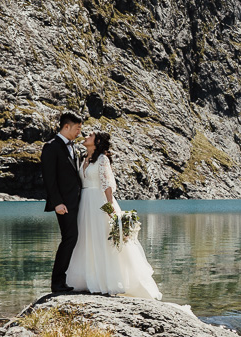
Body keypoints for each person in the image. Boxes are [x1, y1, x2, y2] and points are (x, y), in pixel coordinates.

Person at [65, 131, 162, 300]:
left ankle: (108, 280)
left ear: (97, 141)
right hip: (84, 204)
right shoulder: (83, 159)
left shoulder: (102, 159)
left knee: (103, 239)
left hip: (99, 202)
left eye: (90, 135)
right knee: (87, 239)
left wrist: (111, 207)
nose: (86, 136)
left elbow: (107, 184)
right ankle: (88, 279)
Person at [40, 111, 84, 293]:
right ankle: (57, 282)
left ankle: (67, 279)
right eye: (77, 128)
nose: (79, 133)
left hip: (77, 202)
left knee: (72, 238)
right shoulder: (51, 147)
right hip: (64, 204)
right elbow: (49, 178)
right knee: (69, 238)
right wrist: (57, 202)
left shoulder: (73, 147)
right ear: (66, 126)